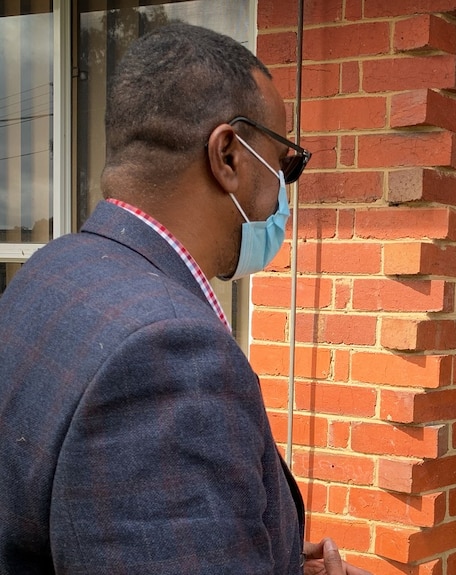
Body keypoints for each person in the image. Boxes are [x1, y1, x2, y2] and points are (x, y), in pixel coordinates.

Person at [0, 23, 370, 575]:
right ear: (227, 156)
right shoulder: (168, 357)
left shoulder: (51, 269)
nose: (283, 194)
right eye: (285, 164)